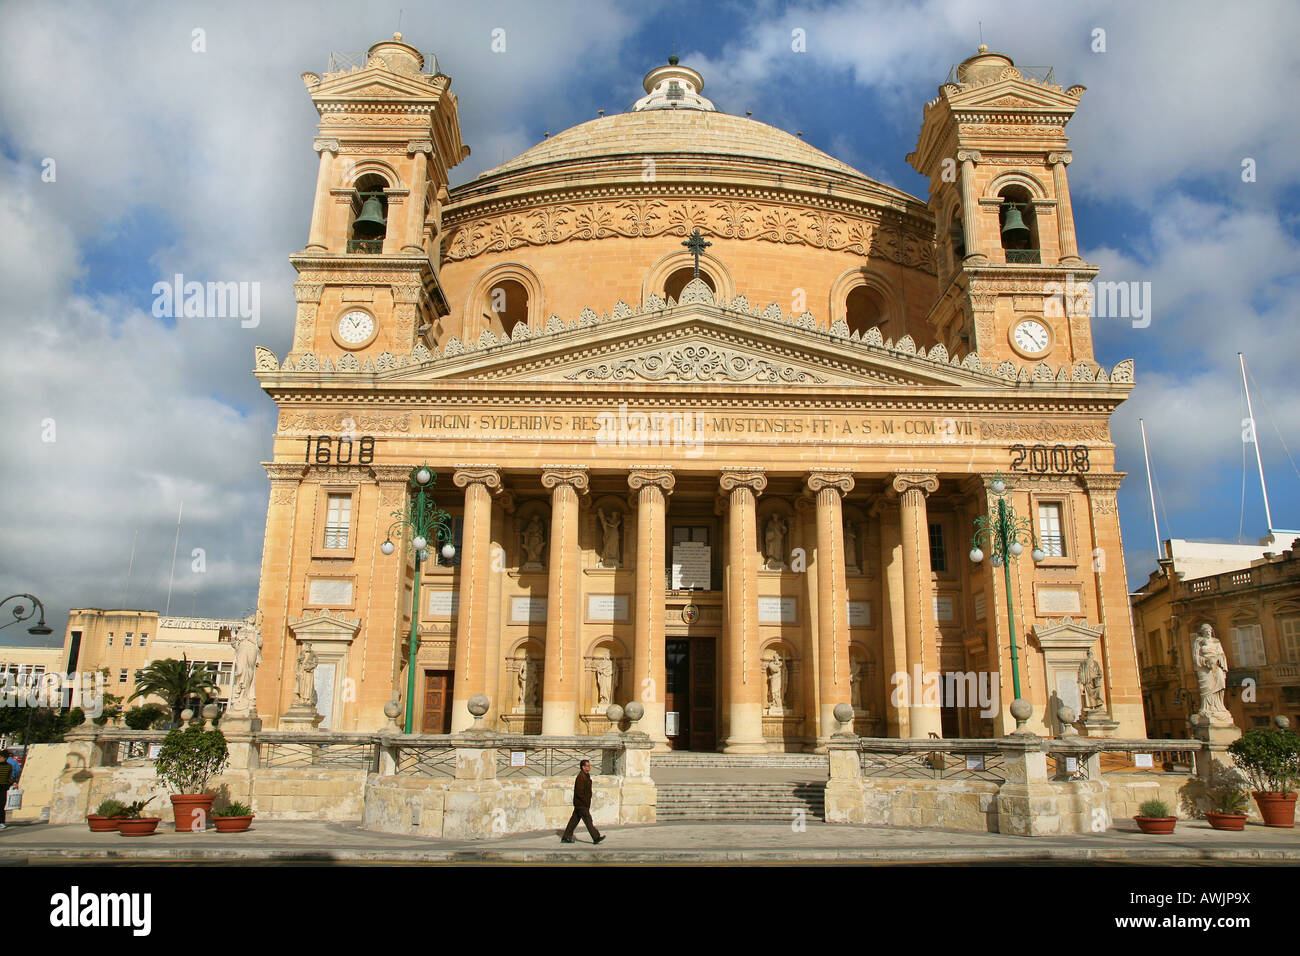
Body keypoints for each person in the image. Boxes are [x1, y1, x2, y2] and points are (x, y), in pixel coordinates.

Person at [560, 759, 604, 844]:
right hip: (581, 804)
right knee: (588, 820)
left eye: (589, 766)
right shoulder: (581, 777)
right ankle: (596, 837)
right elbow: (579, 792)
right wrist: (584, 802)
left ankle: (566, 837)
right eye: (587, 766)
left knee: (574, 821)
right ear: (583, 767)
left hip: (581, 804)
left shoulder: (586, 775)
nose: (589, 767)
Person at [0, 750, 13, 829]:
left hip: (3, 787)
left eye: (4, 758)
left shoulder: (9, 766)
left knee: (1, 805)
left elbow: (9, 777)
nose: (2, 759)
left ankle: (1, 822)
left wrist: (10, 783)